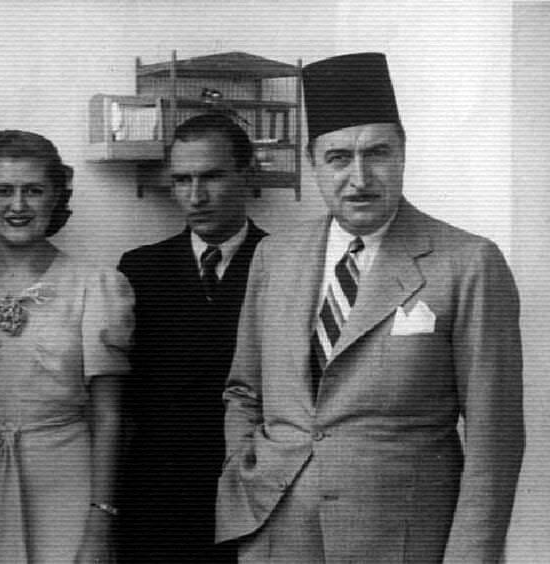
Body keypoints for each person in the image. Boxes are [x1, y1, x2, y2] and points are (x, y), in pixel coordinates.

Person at [216, 52, 524, 563]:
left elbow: (496, 437)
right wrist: (244, 471)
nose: (359, 178)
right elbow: (244, 391)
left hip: (400, 542)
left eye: (377, 153)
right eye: (338, 158)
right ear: (314, 164)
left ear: (403, 155)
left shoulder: (468, 262)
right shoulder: (275, 255)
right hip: (278, 536)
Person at [0, 126, 134, 564]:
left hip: (67, 482)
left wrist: (99, 523)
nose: (18, 205)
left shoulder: (95, 286)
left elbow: (109, 416)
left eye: (34, 190)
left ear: (57, 195)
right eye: (3, 190)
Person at [117, 113, 268, 563]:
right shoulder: (140, 270)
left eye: (212, 177)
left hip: (250, 493)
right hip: (157, 502)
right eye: (182, 180)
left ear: (248, 175)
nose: (196, 196)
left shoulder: (285, 264)